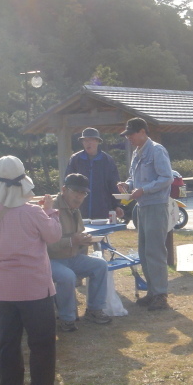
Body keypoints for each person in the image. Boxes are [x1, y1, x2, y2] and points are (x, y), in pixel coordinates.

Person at [0, 155, 63, 385]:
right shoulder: (34, 212)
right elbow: (53, 235)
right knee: (41, 341)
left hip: (0, 288)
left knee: (8, 341)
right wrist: (51, 211)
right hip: (34, 286)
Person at [117, 117, 173, 311]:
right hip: (141, 206)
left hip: (156, 206)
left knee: (155, 251)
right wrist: (128, 185)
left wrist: (145, 189)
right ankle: (152, 292)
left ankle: (160, 295)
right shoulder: (136, 152)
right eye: (127, 135)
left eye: (131, 134)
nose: (129, 138)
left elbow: (167, 178)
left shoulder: (157, 150)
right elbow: (135, 178)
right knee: (144, 251)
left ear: (142, 132)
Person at [48, 173, 112, 331]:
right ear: (64, 190)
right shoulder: (50, 208)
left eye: (83, 193)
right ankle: (66, 318)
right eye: (75, 191)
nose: (79, 196)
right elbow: (47, 243)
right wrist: (73, 240)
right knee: (67, 276)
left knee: (100, 266)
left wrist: (85, 239)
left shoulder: (74, 209)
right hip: (50, 260)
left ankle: (94, 309)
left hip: (72, 257)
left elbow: (78, 235)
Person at [65, 127, 125, 220]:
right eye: (85, 140)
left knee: (102, 233)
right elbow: (68, 183)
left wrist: (116, 205)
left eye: (91, 140)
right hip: (79, 208)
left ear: (97, 141)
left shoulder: (107, 160)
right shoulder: (75, 159)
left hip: (102, 208)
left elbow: (114, 184)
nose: (88, 143)